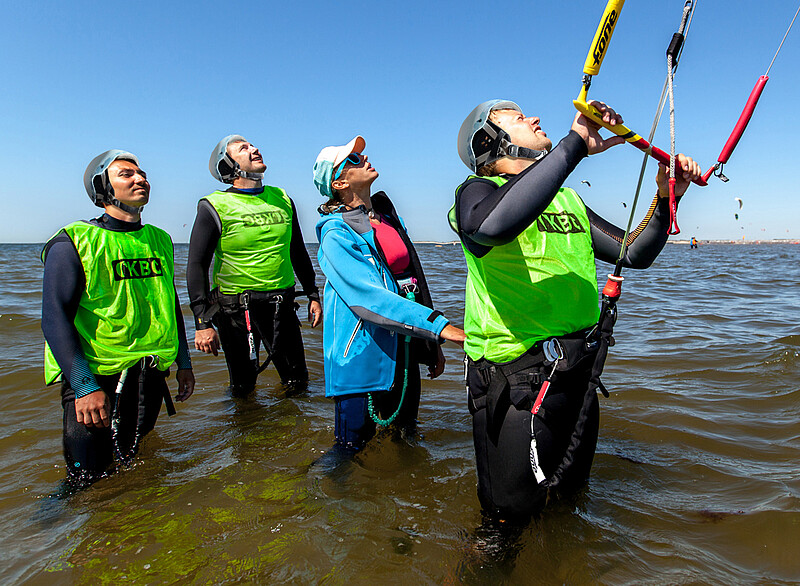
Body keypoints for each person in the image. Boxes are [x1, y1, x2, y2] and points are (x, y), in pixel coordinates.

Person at [452, 99, 702, 519]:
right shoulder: (477, 193)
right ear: (491, 141)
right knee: (503, 528)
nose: (534, 117)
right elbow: (488, 227)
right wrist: (574, 145)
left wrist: (665, 197)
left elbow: (634, 252)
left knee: (568, 508)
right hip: (514, 384)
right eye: (517, 118)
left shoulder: (568, 202)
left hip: (574, 376)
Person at [41, 150, 195, 486]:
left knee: (135, 469)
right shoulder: (72, 241)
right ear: (102, 186)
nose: (140, 179)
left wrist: (184, 364)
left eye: (142, 173)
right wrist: (84, 386)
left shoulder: (160, 240)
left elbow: (169, 306)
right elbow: (54, 319)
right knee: (86, 485)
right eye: (126, 174)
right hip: (96, 381)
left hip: (150, 377)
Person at [313, 136, 465, 450]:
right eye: (352, 160)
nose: (363, 157)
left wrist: (429, 346)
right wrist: (439, 327)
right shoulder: (335, 232)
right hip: (360, 356)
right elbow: (368, 298)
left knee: (406, 440)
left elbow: (413, 281)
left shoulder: (387, 217)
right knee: (348, 453)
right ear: (339, 182)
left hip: (405, 350)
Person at [187, 135, 322, 396]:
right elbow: (196, 265)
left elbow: (297, 252)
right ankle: (244, 433)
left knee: (298, 382)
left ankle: (292, 434)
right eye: (243, 148)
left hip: (281, 305)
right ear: (227, 165)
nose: (255, 149)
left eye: (252, 145)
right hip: (237, 311)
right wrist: (202, 322)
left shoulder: (282, 198)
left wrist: (313, 294)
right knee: (243, 388)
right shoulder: (213, 205)